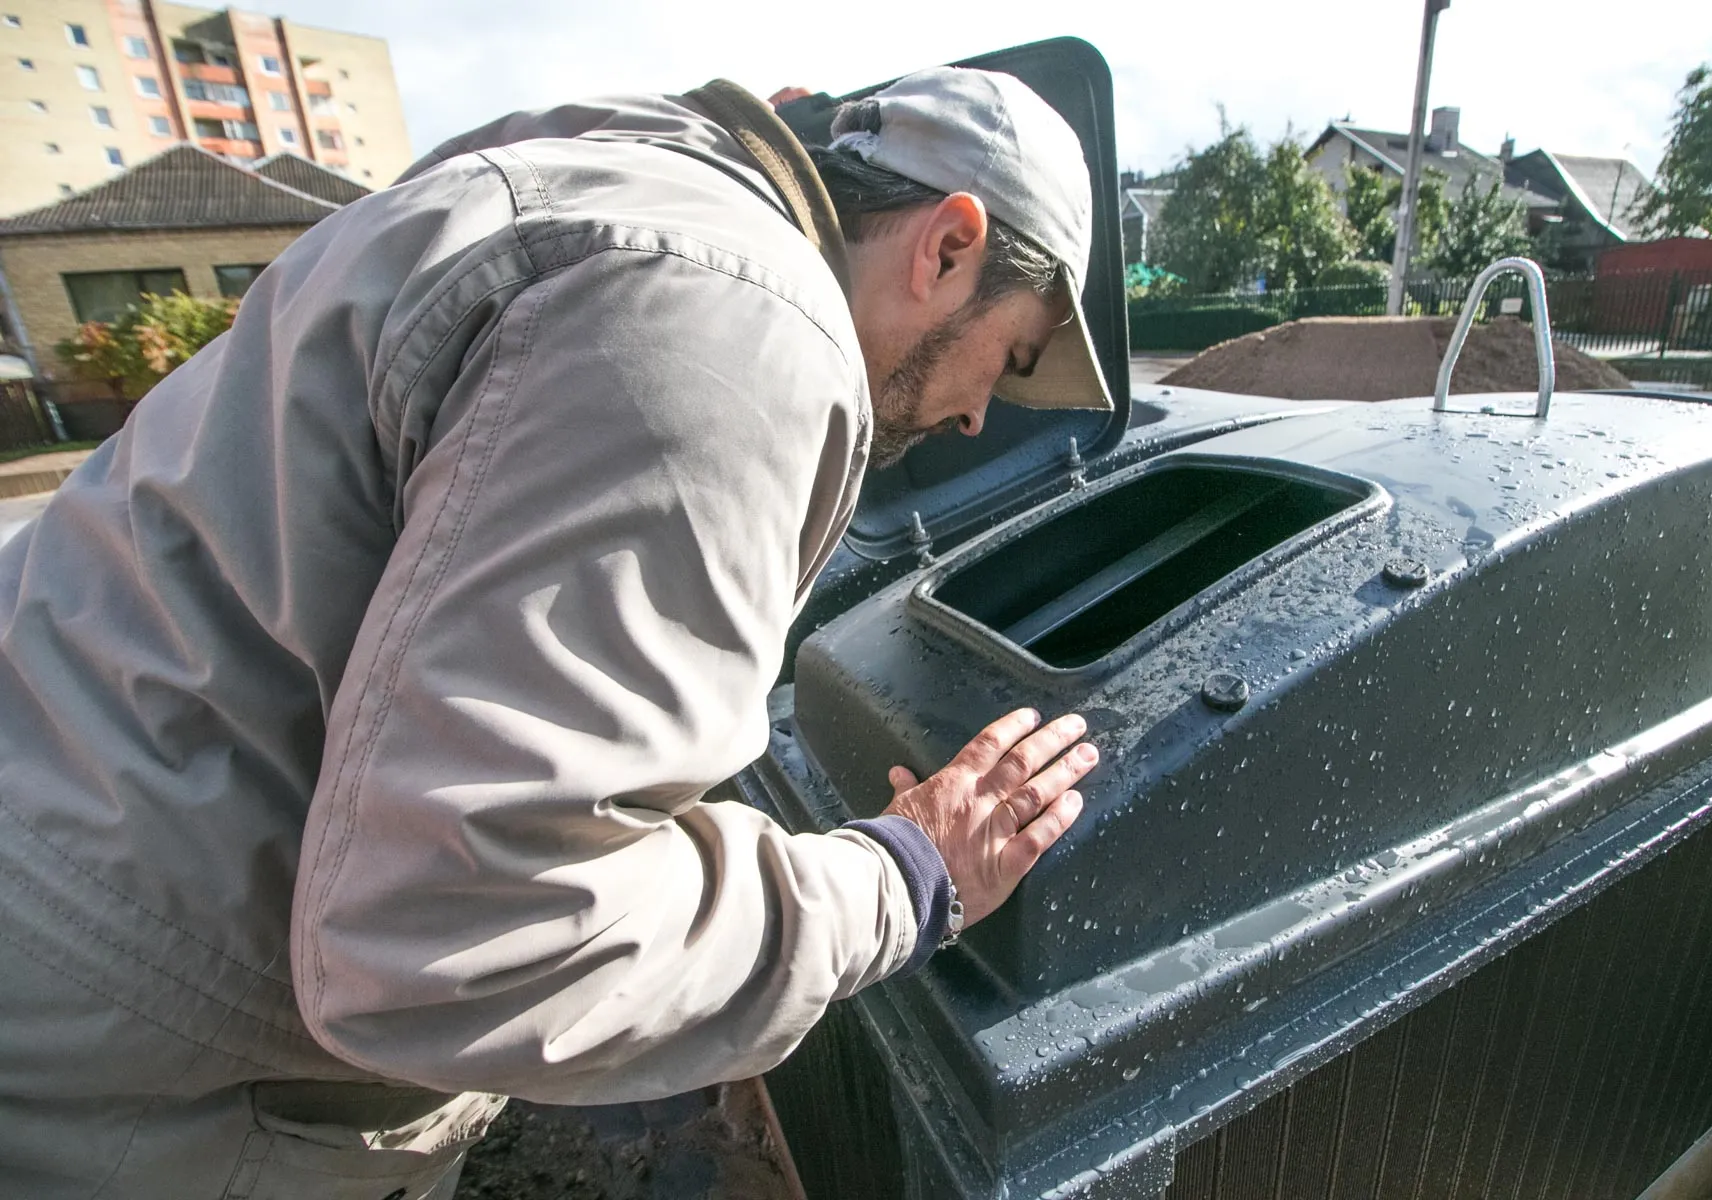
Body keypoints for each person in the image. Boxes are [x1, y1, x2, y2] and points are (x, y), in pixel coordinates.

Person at [0, 66, 1111, 1197]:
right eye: (1011, 357)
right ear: (948, 246)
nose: (978, 415)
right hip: (120, 1067)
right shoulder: (729, 325)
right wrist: (904, 878)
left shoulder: (598, 184)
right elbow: (470, 938)